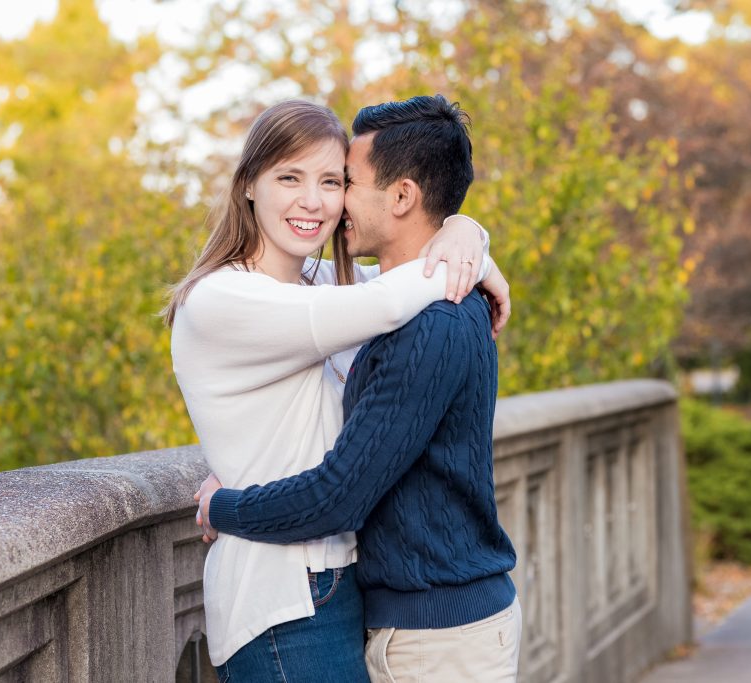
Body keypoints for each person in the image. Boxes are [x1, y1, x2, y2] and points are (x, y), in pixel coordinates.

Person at [166, 99, 510, 681]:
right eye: (289, 177)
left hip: (334, 584)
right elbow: (397, 290)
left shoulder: (317, 285)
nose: (316, 201)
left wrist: (463, 232)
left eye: (333, 181)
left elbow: (406, 269)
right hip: (279, 597)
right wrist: (468, 248)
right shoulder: (225, 299)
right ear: (248, 183)